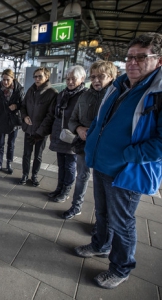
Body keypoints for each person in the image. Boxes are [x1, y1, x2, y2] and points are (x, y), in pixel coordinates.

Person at [75, 33, 162, 289]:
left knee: (122, 223)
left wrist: (126, 156)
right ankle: (100, 245)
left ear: (158, 60)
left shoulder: (157, 92)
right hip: (102, 163)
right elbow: (103, 121)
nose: (132, 62)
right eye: (130, 56)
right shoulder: (121, 84)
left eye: (141, 57)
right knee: (101, 213)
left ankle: (121, 267)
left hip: (126, 170)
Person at [64, 61, 117, 219]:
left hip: (106, 148)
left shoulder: (116, 96)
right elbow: (72, 119)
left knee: (105, 184)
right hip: (85, 145)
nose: (96, 80)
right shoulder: (84, 95)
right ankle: (76, 207)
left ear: (112, 77)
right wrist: (79, 129)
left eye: (101, 76)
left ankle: (103, 220)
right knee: (81, 177)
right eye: (93, 77)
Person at [48, 65, 87, 202]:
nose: (70, 82)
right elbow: (55, 114)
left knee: (70, 165)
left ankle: (66, 190)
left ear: (82, 79)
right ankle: (59, 187)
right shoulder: (62, 94)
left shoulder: (84, 95)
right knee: (61, 163)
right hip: (60, 133)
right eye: (68, 78)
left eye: (73, 79)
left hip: (72, 135)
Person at [19, 67, 58, 186]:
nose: (36, 79)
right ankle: (25, 174)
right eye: (35, 76)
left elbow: (50, 115)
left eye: (39, 76)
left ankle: (34, 175)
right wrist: (25, 116)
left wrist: (40, 131)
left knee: (38, 155)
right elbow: (23, 106)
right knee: (26, 154)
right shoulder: (31, 90)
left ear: (46, 77)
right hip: (29, 129)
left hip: (41, 132)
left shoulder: (52, 93)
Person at [0, 68, 24, 175]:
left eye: (7, 80)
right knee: (0, 144)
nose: (5, 82)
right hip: (2, 121)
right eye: (3, 79)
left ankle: (9, 163)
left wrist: (17, 106)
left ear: (13, 79)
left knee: (11, 144)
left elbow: (24, 105)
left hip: (14, 122)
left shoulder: (19, 89)